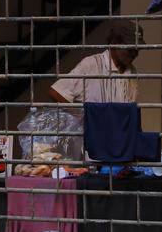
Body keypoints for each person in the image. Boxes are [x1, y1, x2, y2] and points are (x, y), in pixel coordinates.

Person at [49, 21, 144, 157]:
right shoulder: (91, 65)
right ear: (115, 43)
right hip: (94, 144)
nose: (135, 54)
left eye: (137, 49)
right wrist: (85, 117)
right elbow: (56, 92)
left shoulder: (132, 72)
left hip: (121, 143)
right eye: (130, 49)